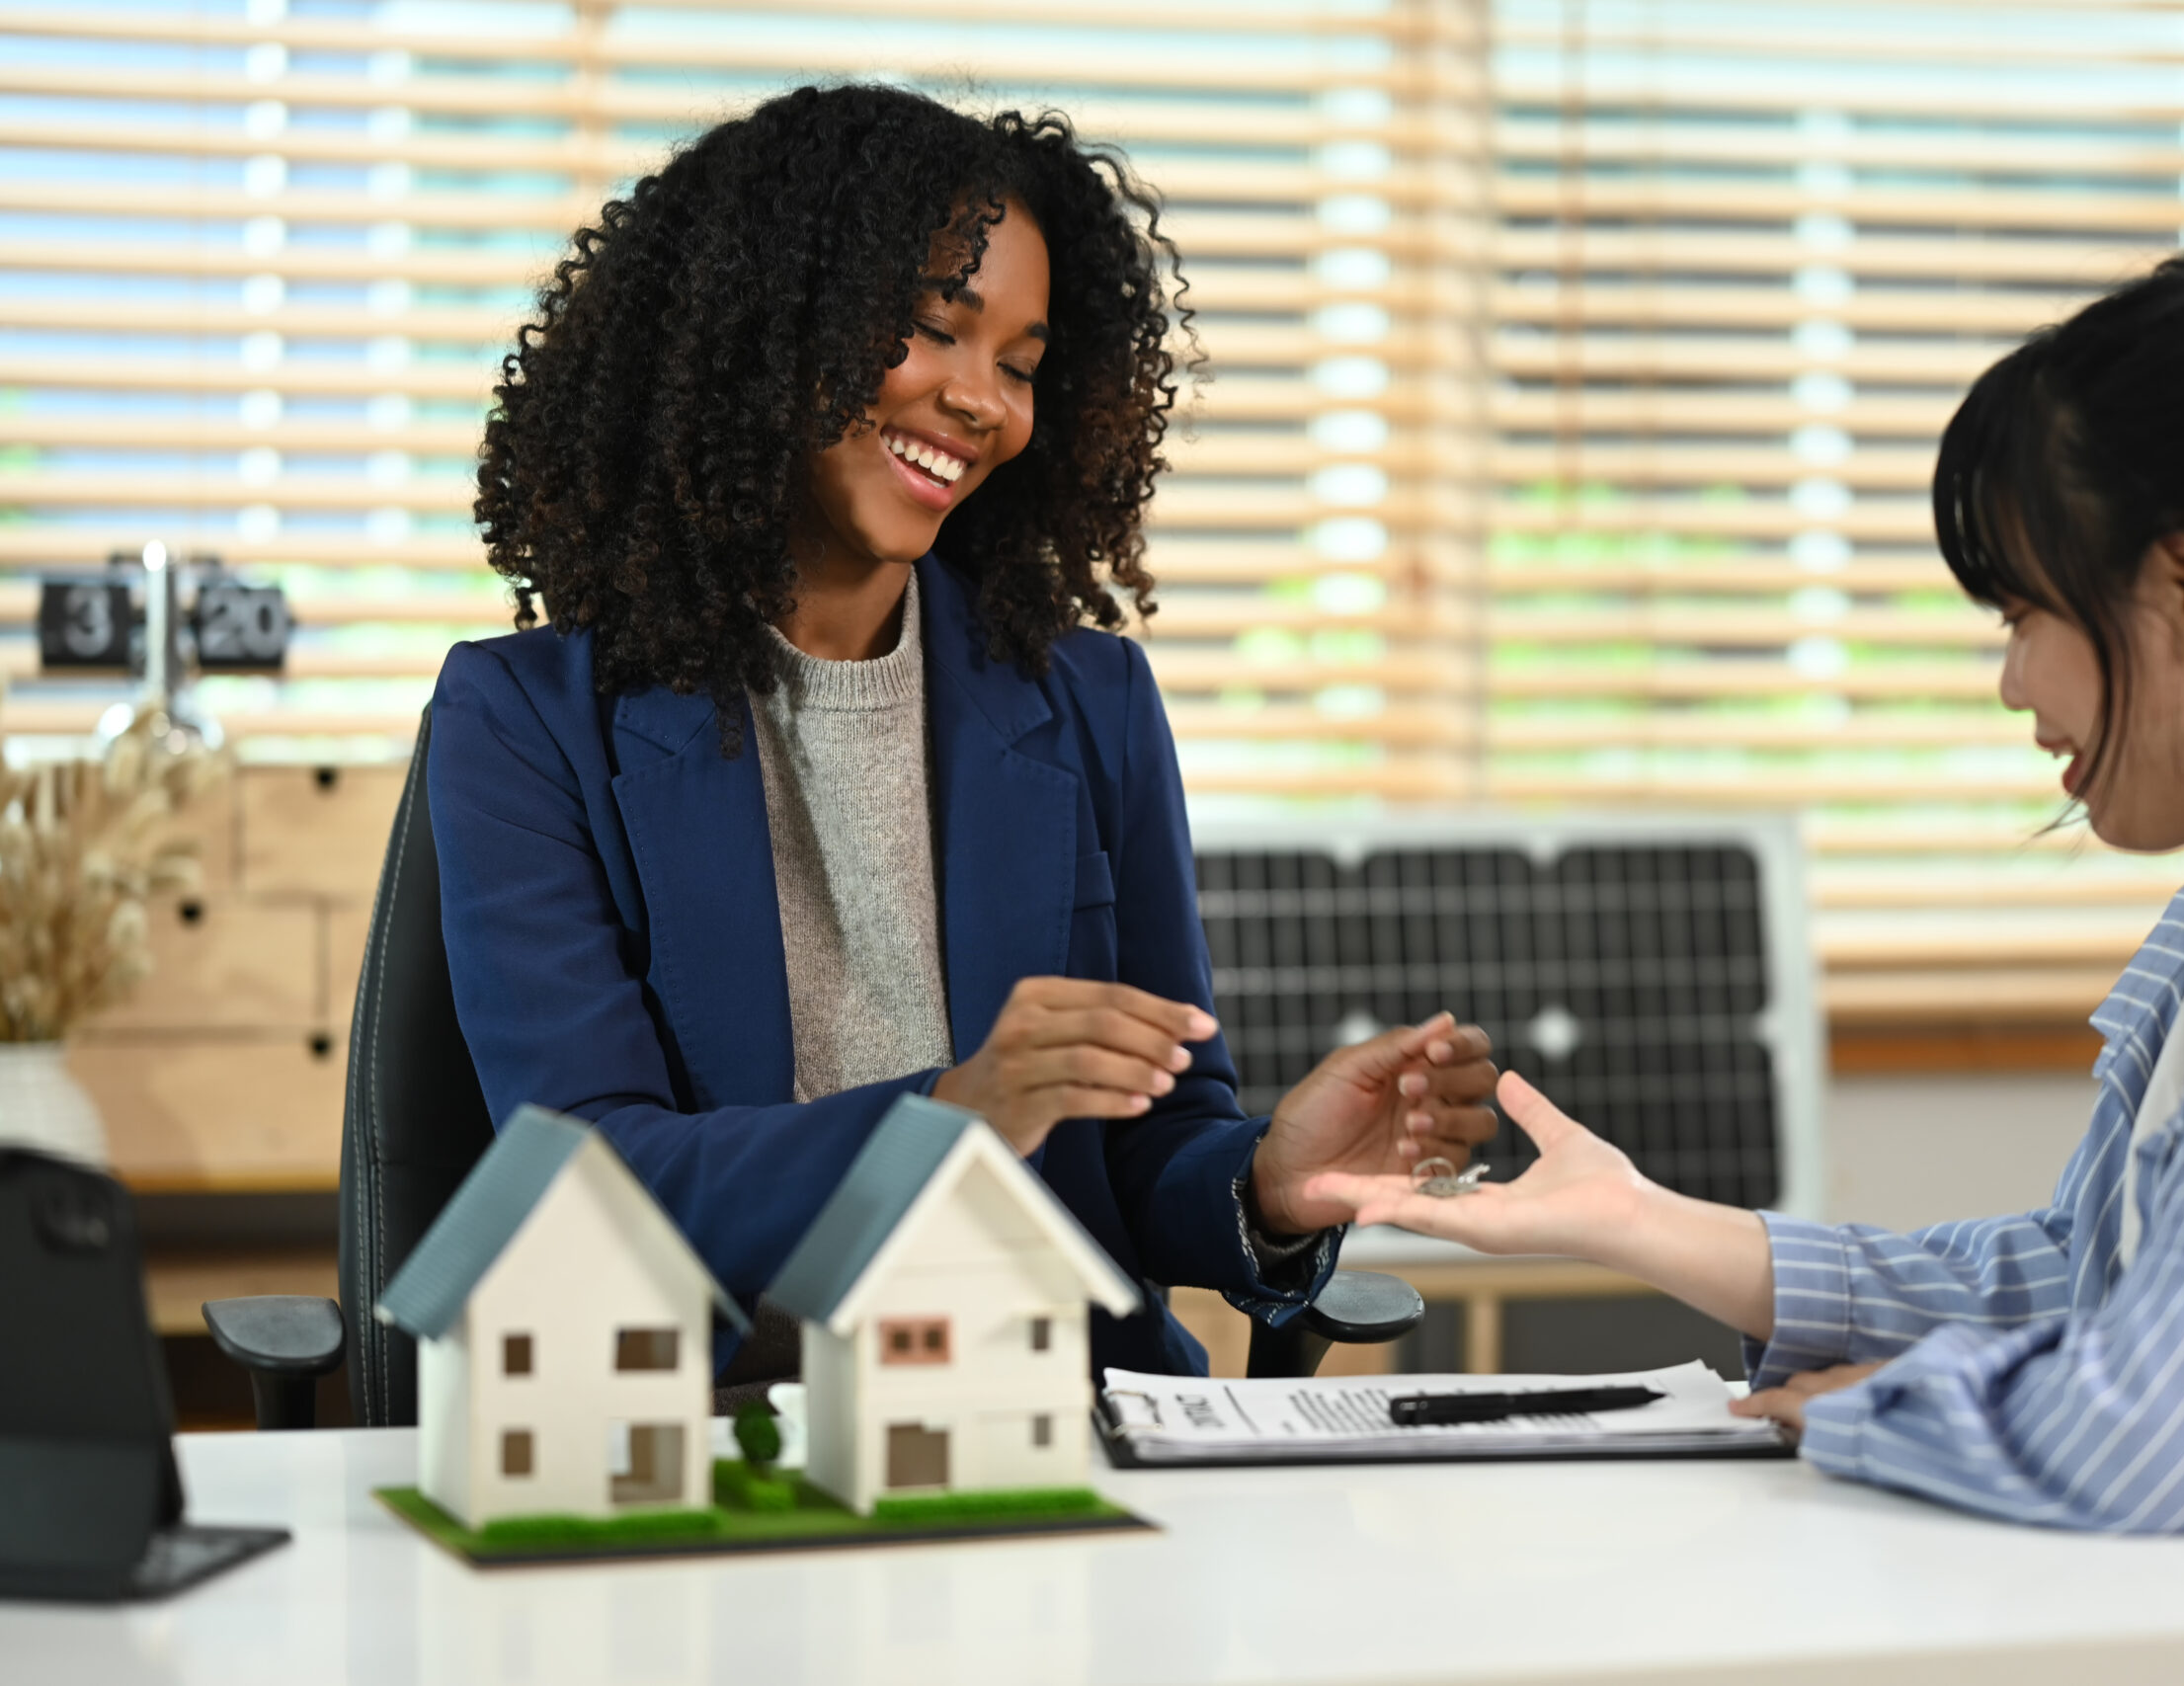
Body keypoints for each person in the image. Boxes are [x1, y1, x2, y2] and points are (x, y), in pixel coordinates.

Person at [1306, 242, 2184, 1588]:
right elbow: (2088, 1291)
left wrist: (1866, 1408)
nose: (2013, 683)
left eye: (2026, 612)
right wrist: (1645, 1221)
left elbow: (2163, 1438)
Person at [434, 84, 1496, 1387]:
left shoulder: (1091, 704)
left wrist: (1272, 1182)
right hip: (720, 1441)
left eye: (1022, 365)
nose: (979, 401)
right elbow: (585, 1177)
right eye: (936, 329)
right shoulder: (527, 720)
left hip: (1054, 1420)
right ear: (770, 329)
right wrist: (946, 1119)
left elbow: (1142, 1158)